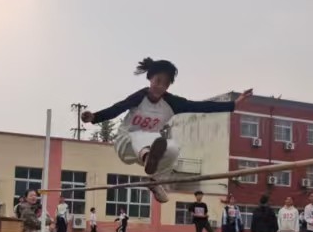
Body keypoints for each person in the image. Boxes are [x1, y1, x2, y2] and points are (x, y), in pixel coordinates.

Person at [81, 58, 250, 202]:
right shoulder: (139, 97)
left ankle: (155, 181)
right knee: (140, 135)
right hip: (126, 142)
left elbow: (200, 106)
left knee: (173, 148)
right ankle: (148, 156)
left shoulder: (172, 103)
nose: (160, 87)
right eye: (158, 81)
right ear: (150, 79)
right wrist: (94, 117)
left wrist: (233, 104)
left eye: (165, 84)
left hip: (151, 143)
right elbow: (117, 108)